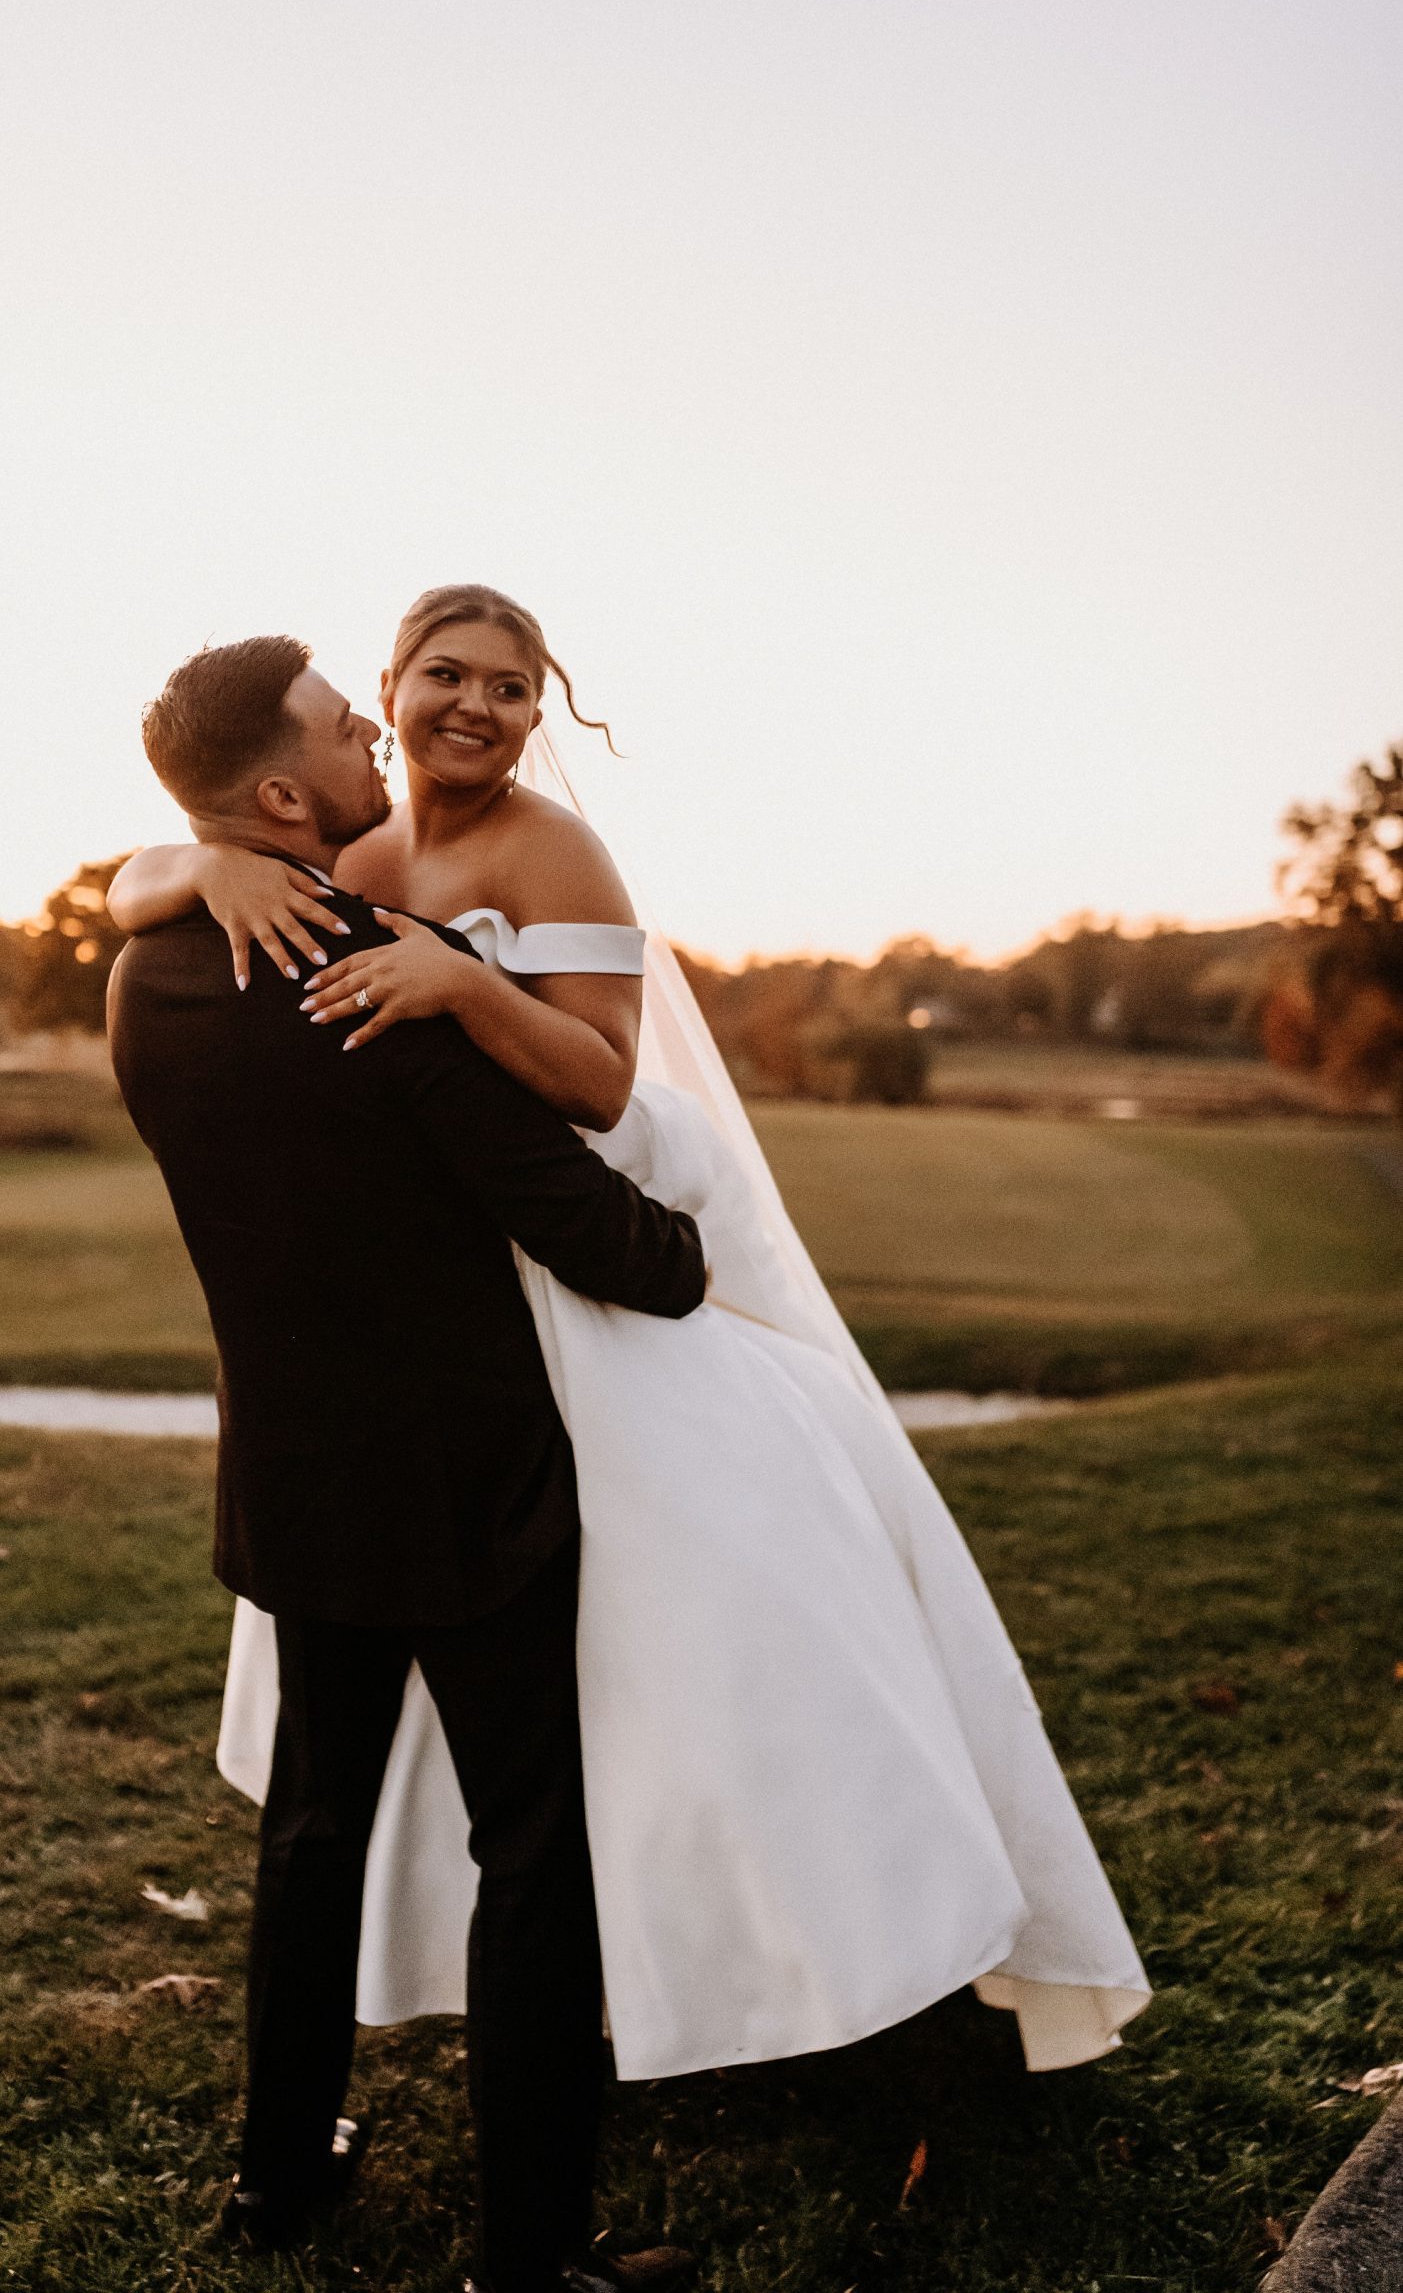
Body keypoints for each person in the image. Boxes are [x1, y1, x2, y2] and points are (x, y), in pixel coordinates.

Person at [113, 588, 1151, 2089]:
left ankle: (778, 1960)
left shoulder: (554, 852)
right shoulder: (342, 858)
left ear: (542, 713)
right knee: (488, 1747)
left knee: (698, 1656)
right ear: (388, 700)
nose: (476, 707)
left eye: (514, 688)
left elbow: (602, 1086)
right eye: (437, 681)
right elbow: (155, 866)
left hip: (552, 1267)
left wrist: (465, 982)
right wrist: (194, 862)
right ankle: (560, 2032)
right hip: (445, 1337)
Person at [106, 631, 708, 2293]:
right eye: (345, 726)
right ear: (286, 793)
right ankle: (531, 2262)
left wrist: (190, 859)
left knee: (314, 1827)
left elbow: (141, 883)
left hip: (294, 1475)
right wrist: (689, 1252)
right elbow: (592, 1230)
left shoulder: (145, 970)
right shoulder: (376, 972)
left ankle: (279, 2184)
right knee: (531, 1850)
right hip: (469, 1493)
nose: (381, 736)